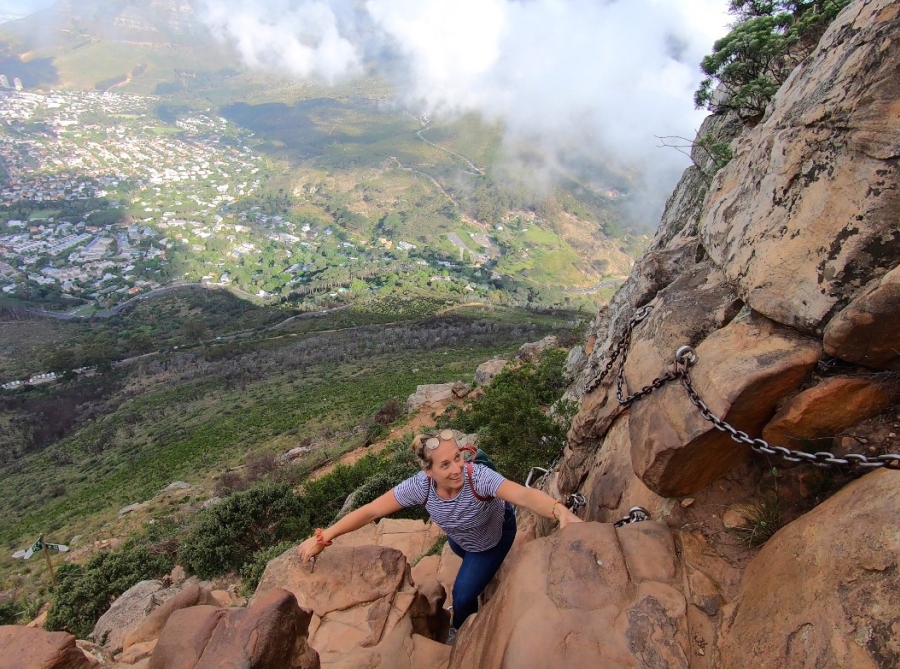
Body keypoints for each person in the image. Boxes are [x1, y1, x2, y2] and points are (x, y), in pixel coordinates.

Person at [298, 429, 582, 642]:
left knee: (462, 595)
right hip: (460, 540)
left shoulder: (477, 477)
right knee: (464, 560)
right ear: (428, 470)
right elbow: (372, 511)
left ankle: (463, 630)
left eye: (457, 458)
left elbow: (521, 494)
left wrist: (560, 511)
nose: (457, 468)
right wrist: (323, 539)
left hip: (491, 540)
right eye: (445, 465)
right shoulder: (420, 487)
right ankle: (482, 583)